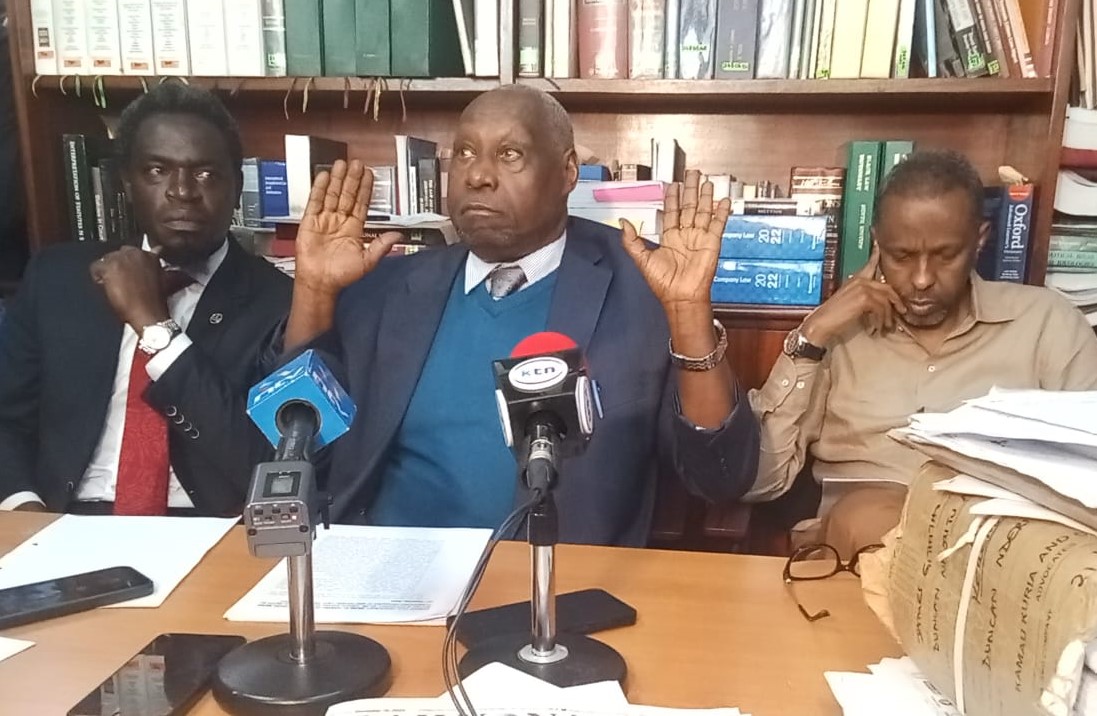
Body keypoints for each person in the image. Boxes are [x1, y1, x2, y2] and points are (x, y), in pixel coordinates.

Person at [283, 84, 760, 546]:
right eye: (465, 154)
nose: (478, 175)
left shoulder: (644, 286)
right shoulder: (390, 288)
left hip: (557, 587)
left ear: (567, 172)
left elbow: (720, 477)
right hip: (390, 573)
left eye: (509, 155)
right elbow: (296, 448)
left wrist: (689, 313)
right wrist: (314, 290)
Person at [743, 149, 1097, 556]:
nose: (923, 279)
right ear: (877, 244)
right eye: (902, 257)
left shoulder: (1046, 323)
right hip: (861, 551)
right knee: (870, 521)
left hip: (1004, 550)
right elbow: (760, 483)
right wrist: (812, 335)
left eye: (945, 256)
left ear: (979, 240)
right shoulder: (836, 337)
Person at [0, 82, 292, 515]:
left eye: (206, 173)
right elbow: (6, 418)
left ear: (237, 186)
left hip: (202, 525)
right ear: (126, 182)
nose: (182, 191)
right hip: (61, 516)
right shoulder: (59, 278)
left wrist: (154, 326)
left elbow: (259, 464)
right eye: (157, 170)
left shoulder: (279, 301)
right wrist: (23, 508)